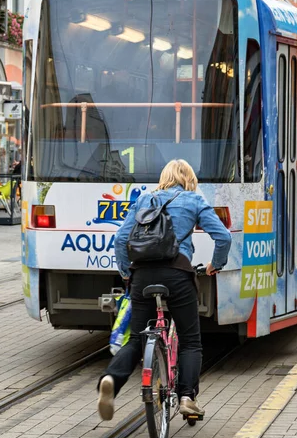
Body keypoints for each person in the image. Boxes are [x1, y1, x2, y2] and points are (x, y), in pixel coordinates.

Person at [97, 159, 232, 421]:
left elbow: (121, 239)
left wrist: (126, 272)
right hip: (178, 274)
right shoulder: (194, 200)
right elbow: (223, 237)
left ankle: (111, 380)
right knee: (190, 340)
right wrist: (216, 265)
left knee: (136, 338)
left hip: (142, 275)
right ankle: (186, 398)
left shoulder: (144, 200)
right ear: (188, 179)